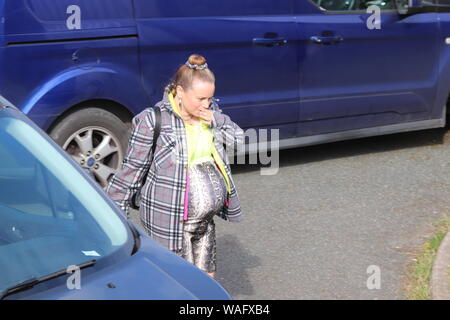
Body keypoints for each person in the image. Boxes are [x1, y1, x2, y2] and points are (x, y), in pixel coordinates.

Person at [106, 54, 244, 278]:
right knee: (175, 282)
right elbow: (130, 172)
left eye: (210, 98)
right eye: (200, 98)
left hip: (204, 223)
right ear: (180, 91)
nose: (206, 104)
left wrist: (216, 120)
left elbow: (240, 141)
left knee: (206, 280)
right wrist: (115, 222)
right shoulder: (153, 120)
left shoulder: (211, 115)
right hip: (168, 220)